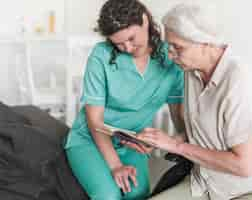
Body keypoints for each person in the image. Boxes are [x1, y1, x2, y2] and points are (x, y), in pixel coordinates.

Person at [138, 2, 252, 200]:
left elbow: (244, 166)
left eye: (177, 47)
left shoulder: (240, 83)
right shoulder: (192, 70)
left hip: (249, 187)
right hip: (205, 182)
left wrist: (176, 146)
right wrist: (162, 142)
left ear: (207, 43)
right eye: (169, 46)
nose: (170, 54)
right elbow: (202, 132)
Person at [63, 0, 185, 199]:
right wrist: (116, 166)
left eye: (131, 38)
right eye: (118, 44)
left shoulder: (169, 56)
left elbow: (178, 114)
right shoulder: (101, 56)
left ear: (145, 21)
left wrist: (176, 141)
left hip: (132, 143)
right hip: (89, 140)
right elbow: (95, 121)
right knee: (108, 195)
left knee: (138, 193)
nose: (127, 47)